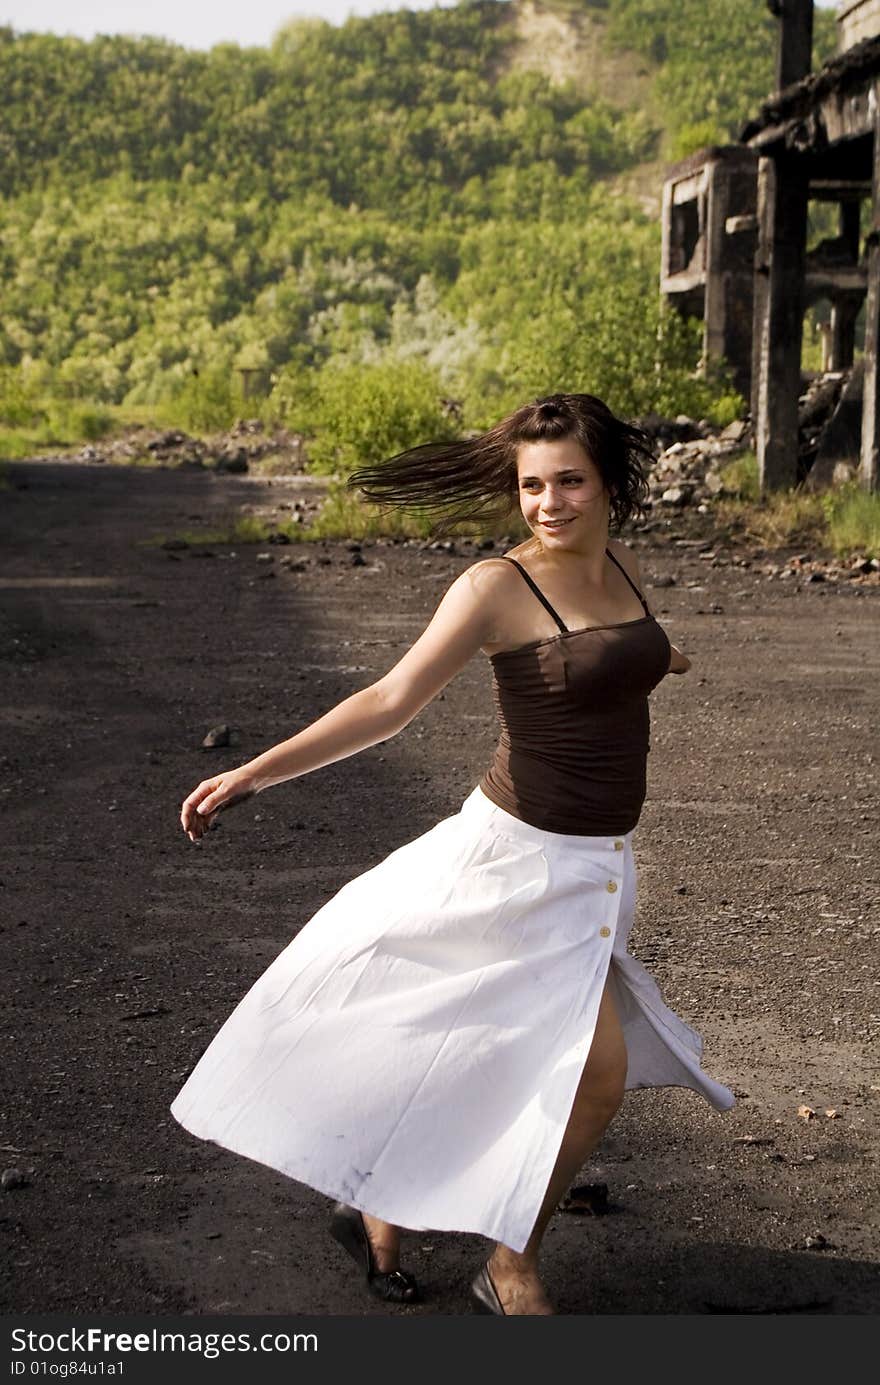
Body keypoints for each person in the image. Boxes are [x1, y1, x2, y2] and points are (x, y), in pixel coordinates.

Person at [173, 392, 734, 1316]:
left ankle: (389, 1212)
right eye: (531, 486)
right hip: (510, 864)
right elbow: (390, 702)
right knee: (549, 1060)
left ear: (609, 485)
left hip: (596, 870)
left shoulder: (621, 565)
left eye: (568, 482)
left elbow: (625, 652)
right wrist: (253, 775)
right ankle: (502, 1264)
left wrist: (658, 660)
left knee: (511, 1051)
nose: (548, 503)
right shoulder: (495, 587)